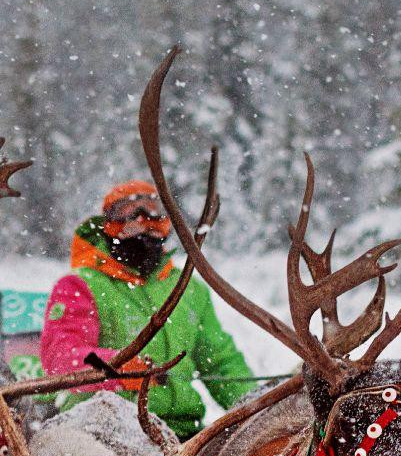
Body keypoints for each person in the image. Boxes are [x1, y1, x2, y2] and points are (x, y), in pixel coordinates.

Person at [39, 179, 257, 439]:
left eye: (154, 212)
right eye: (130, 213)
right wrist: (118, 368)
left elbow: (221, 362)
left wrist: (258, 406)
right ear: (109, 225)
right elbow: (60, 358)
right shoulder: (79, 286)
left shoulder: (188, 288)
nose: (144, 223)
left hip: (182, 433)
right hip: (103, 431)